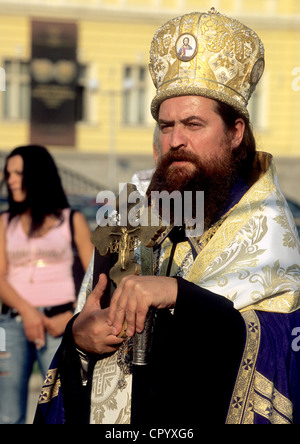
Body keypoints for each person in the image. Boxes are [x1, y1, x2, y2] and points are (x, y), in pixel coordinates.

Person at [35, 9, 300, 425]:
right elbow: (87, 317)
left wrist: (179, 294)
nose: (175, 140)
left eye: (193, 124)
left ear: (235, 132)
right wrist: (79, 338)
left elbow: (281, 347)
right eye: (165, 125)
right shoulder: (129, 210)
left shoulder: (269, 230)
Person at [0, 144, 94, 424]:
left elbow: (94, 277)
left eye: (18, 172)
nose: (11, 179)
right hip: (11, 325)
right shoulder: (4, 222)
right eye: (8, 173)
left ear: (38, 174)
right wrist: (29, 313)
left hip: (60, 323)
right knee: (6, 415)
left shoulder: (71, 220)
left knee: (63, 409)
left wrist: (71, 318)